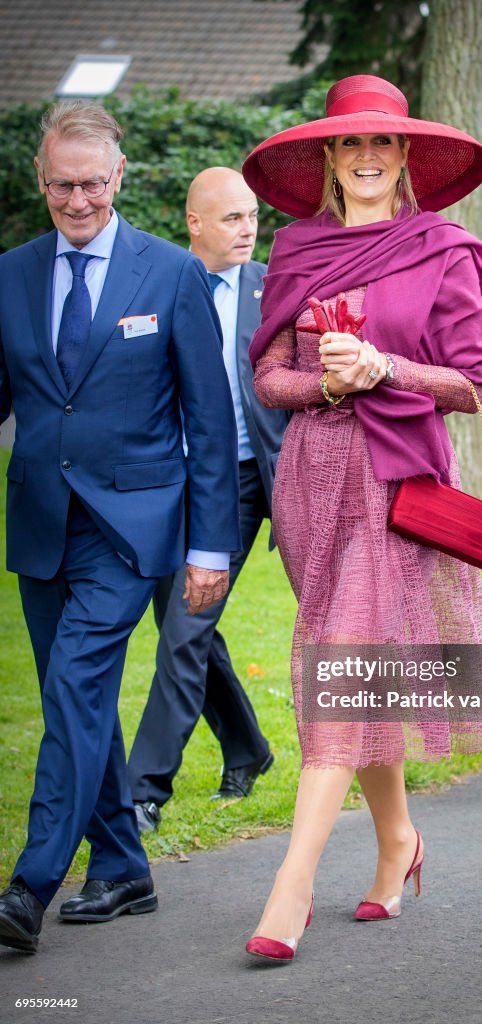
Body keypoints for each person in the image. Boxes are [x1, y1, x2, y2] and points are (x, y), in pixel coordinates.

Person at [240, 74, 482, 962]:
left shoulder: (445, 249)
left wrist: (386, 368)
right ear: (329, 156)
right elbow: (270, 380)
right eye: (350, 144)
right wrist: (327, 380)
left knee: (341, 659)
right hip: (312, 485)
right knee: (354, 665)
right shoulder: (296, 249)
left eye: (382, 143)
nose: (366, 157)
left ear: (406, 155)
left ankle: (292, 886)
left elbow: (478, 383)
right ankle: (398, 841)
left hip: (396, 485)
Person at [0, 102, 240, 953]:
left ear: (120, 176)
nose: (77, 200)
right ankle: (123, 866)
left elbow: (212, 424)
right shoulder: (10, 274)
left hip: (132, 528)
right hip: (39, 526)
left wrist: (211, 547)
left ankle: (29, 884)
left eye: (92, 184)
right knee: (82, 700)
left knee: (71, 687)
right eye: (62, 184)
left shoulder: (171, 273)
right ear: (41, 178)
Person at [128, 169, 287, 832]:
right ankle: (248, 748)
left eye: (252, 216)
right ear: (195, 222)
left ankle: (142, 789)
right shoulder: (160, 284)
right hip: (177, 483)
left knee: (187, 628)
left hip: (248, 480)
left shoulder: (274, 289)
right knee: (184, 629)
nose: (248, 228)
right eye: (231, 218)